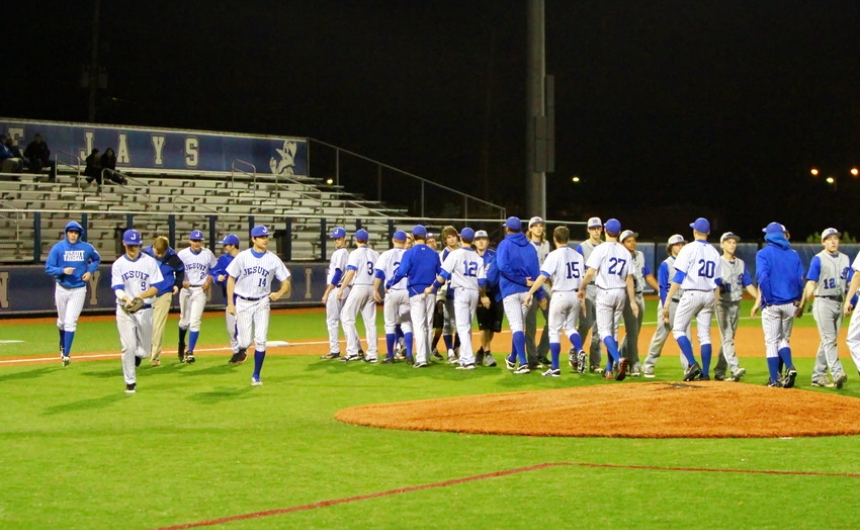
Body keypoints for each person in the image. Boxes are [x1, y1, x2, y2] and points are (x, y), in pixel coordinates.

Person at [226, 226, 291, 385]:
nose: (265, 239)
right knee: (245, 342)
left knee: (261, 339)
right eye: (261, 237)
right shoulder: (242, 257)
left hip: (262, 301)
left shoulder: (273, 259)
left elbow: (286, 282)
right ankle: (242, 347)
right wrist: (230, 303)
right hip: (243, 301)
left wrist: (279, 293)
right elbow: (231, 279)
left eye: (266, 236)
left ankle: (256, 375)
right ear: (253, 239)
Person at [662, 218, 722, 381]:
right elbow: (717, 283)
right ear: (708, 232)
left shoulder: (688, 249)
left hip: (692, 293)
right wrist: (715, 304)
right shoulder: (715, 253)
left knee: (678, 329)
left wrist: (667, 300)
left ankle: (692, 363)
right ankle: (705, 374)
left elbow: (679, 276)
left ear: (695, 231)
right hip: (709, 294)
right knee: (705, 335)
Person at [578, 218, 637, 380]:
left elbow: (590, 272)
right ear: (619, 233)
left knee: (604, 331)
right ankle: (609, 370)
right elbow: (629, 278)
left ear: (605, 230)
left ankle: (618, 360)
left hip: (605, 292)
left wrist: (582, 287)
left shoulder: (601, 248)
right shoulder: (625, 251)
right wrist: (632, 301)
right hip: (621, 293)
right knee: (614, 332)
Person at [524, 225, 585, 377]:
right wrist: (582, 299)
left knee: (554, 331)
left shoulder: (554, 255)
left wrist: (530, 292)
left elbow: (543, 276)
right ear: (568, 238)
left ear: (554, 239)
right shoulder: (578, 255)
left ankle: (555, 368)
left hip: (560, 295)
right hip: (575, 295)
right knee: (570, 328)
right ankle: (580, 350)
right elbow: (582, 281)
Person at [111, 229, 164, 394]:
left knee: (144, 350)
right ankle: (130, 383)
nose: (133, 248)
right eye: (130, 245)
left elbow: (156, 287)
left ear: (139, 245)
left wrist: (141, 295)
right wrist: (126, 298)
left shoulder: (149, 262)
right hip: (125, 310)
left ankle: (137, 357)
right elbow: (118, 288)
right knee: (128, 347)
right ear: (124, 243)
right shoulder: (119, 264)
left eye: (136, 245)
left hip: (145, 310)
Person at [428, 227, 488, 369]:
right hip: (474, 292)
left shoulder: (455, 254)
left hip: (461, 291)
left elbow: (443, 275)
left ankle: (467, 360)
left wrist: (432, 287)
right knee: (467, 326)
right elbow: (482, 282)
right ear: (472, 240)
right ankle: (465, 357)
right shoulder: (477, 257)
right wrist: (483, 295)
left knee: (462, 326)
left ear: (461, 238)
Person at [755, 222, 805, 388]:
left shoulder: (763, 253)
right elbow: (800, 280)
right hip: (790, 304)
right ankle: (789, 367)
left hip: (773, 304)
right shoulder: (793, 254)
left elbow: (762, 278)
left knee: (771, 341)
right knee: (783, 339)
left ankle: (774, 380)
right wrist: (797, 298)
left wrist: (768, 299)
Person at [44, 221, 101, 366]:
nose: (73, 235)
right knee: (62, 322)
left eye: (76, 232)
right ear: (66, 233)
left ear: (79, 234)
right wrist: (62, 270)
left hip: (78, 289)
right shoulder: (58, 248)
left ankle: (66, 354)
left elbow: (96, 259)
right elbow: (48, 267)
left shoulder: (87, 247)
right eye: (71, 232)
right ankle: (62, 346)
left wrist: (89, 272)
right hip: (62, 288)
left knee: (70, 322)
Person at [387, 225, 441, 368]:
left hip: (416, 291)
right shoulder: (434, 254)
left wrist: (390, 283)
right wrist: (435, 287)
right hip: (431, 291)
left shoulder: (409, 253)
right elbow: (441, 274)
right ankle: (427, 355)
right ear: (425, 237)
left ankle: (422, 358)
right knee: (429, 324)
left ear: (413, 236)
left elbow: (401, 272)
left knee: (418, 324)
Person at [804, 228, 851, 389]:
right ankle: (837, 372)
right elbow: (811, 282)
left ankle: (818, 376)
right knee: (830, 340)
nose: (833, 241)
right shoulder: (818, 259)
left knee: (827, 341)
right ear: (823, 242)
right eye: (829, 238)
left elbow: (850, 282)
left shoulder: (845, 259)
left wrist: (851, 300)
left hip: (839, 302)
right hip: (822, 302)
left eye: (835, 238)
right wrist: (804, 301)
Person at [497, 216, 544, 374]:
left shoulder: (505, 244)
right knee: (518, 325)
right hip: (527, 293)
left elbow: (502, 266)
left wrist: (520, 279)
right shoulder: (530, 247)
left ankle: (523, 363)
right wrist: (540, 293)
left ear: (508, 228)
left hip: (511, 290)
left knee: (516, 326)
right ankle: (512, 358)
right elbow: (537, 273)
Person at [712, 232, 758, 382]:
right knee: (727, 337)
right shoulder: (717, 263)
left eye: (734, 242)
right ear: (722, 245)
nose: (732, 244)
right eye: (728, 242)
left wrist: (759, 298)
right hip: (722, 304)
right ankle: (734, 367)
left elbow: (748, 284)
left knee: (728, 339)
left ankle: (719, 371)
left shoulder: (740, 263)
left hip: (736, 304)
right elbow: (714, 286)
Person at [642, 234, 689, 377]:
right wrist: (665, 308)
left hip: (684, 305)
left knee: (686, 338)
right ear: (670, 248)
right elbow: (662, 287)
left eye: (682, 244)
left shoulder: (688, 263)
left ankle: (688, 367)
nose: (680, 247)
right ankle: (648, 364)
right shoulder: (666, 264)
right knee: (660, 336)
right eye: (677, 244)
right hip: (670, 304)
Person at [617, 230, 659, 376]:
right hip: (628, 297)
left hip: (640, 296)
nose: (633, 242)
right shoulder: (620, 257)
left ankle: (620, 358)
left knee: (634, 332)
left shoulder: (640, 255)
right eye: (629, 241)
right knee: (633, 332)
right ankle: (634, 364)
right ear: (622, 244)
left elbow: (647, 275)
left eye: (634, 240)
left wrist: (659, 289)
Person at [142, 236, 185, 367]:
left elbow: (180, 271)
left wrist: (178, 285)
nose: (159, 255)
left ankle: (155, 357)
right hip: (147, 293)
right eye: (157, 252)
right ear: (153, 247)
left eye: (162, 253)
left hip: (164, 293)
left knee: (158, 326)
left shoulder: (173, 257)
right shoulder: (143, 254)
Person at [338, 229, 380, 363]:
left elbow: (351, 272)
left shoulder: (355, 253)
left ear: (356, 239)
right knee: (370, 322)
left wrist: (342, 288)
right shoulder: (375, 254)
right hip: (371, 287)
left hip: (359, 286)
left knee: (346, 317)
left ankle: (352, 351)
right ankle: (372, 354)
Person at [177, 230, 217, 364]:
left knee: (194, 321)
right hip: (186, 289)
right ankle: (181, 344)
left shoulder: (207, 254)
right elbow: (175, 271)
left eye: (199, 241)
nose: (197, 243)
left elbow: (214, 269)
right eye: (194, 240)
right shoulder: (182, 254)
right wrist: (181, 281)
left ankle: (190, 351)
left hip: (200, 289)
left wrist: (209, 281)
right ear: (189, 241)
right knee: (184, 321)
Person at [374, 230, 414, 364]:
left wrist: (375, 289)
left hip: (392, 292)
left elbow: (379, 273)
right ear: (405, 242)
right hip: (407, 292)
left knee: (390, 324)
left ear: (393, 240)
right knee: (407, 324)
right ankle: (409, 355)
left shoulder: (386, 255)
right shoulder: (410, 254)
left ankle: (390, 355)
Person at [575, 217, 604, 372]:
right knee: (585, 324)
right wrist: (581, 290)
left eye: (598, 228)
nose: (596, 231)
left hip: (601, 289)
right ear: (588, 230)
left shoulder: (605, 247)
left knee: (599, 328)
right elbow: (580, 272)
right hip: (586, 289)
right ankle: (575, 353)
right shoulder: (581, 248)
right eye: (593, 228)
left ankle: (595, 363)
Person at [210, 234, 244, 364]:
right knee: (231, 329)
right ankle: (237, 351)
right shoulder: (224, 259)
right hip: (230, 299)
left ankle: (241, 351)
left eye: (226, 245)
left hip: (245, 299)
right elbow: (214, 272)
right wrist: (216, 278)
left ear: (233, 245)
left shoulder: (245, 258)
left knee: (243, 328)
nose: (224, 247)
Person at [525, 216, 552, 367]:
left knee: (553, 321)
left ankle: (541, 352)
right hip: (531, 288)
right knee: (531, 325)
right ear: (530, 229)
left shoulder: (546, 244)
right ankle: (531, 358)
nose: (538, 228)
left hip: (546, 286)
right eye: (535, 226)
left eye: (540, 225)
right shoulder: (527, 245)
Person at [321, 227, 350, 360]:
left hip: (337, 289)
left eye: (339, 238)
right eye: (335, 238)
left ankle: (335, 350)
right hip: (344, 289)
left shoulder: (340, 253)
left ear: (345, 238)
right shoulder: (344, 253)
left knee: (332, 320)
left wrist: (327, 291)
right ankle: (355, 349)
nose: (336, 241)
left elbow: (338, 273)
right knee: (346, 319)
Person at [474, 230, 499, 367]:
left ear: (488, 241)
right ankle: (488, 353)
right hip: (478, 294)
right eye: (478, 239)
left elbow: (492, 276)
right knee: (483, 325)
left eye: (484, 239)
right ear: (474, 242)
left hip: (493, 293)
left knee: (492, 326)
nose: (481, 241)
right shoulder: (471, 256)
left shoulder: (493, 255)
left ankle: (480, 352)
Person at [437, 225, 461, 363]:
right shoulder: (443, 255)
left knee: (461, 323)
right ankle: (450, 351)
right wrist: (440, 296)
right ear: (445, 240)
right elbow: (441, 275)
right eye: (449, 237)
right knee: (447, 323)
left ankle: (457, 348)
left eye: (453, 236)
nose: (452, 239)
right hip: (448, 290)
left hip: (462, 290)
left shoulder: (463, 251)